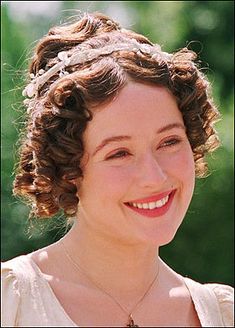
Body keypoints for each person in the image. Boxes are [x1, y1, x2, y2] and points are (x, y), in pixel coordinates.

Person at [1, 11, 233, 327]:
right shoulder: (11, 302)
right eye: (119, 153)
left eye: (168, 142)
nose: (155, 177)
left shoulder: (222, 314)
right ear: (68, 168)